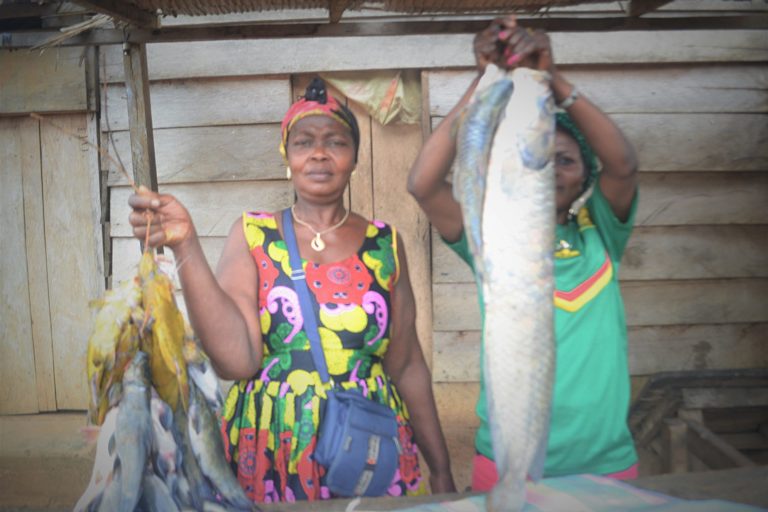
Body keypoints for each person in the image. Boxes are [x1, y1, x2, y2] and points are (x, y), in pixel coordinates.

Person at [128, 77, 456, 502]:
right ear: (288, 157)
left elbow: (408, 364)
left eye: (335, 142)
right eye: (304, 142)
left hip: (368, 445)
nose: (319, 153)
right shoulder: (254, 234)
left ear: (354, 157)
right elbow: (235, 361)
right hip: (272, 444)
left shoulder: (384, 244)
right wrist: (185, 243)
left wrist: (443, 470)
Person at [407, 16, 640, 491]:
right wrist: (485, 81)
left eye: (566, 159)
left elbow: (623, 163)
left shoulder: (601, 233)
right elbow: (423, 185)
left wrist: (550, 79)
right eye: (537, 151)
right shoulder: (491, 235)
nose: (550, 167)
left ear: (585, 178)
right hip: (504, 459)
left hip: (606, 460)